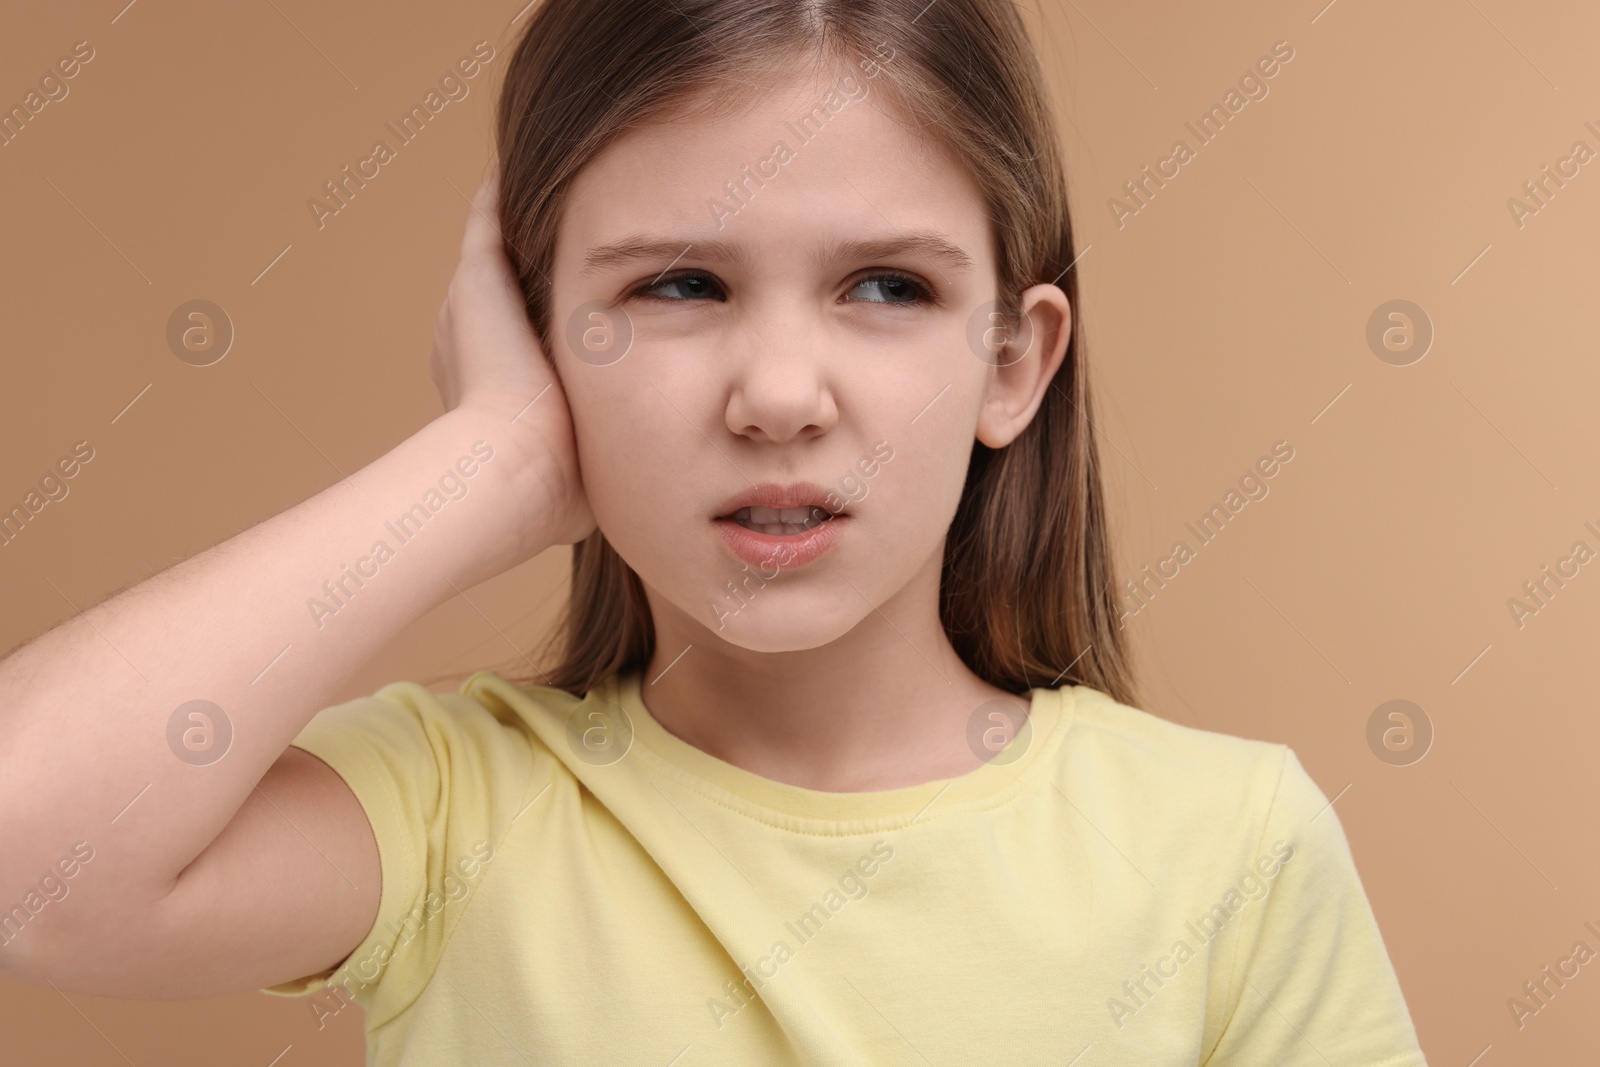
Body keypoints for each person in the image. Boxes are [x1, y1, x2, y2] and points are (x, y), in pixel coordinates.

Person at [0, 0, 1427, 1063]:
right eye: (681, 284)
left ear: (1012, 362)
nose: (781, 396)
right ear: (542, 342)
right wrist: (484, 464)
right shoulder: (455, 812)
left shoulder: (1228, 849)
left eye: (883, 287)